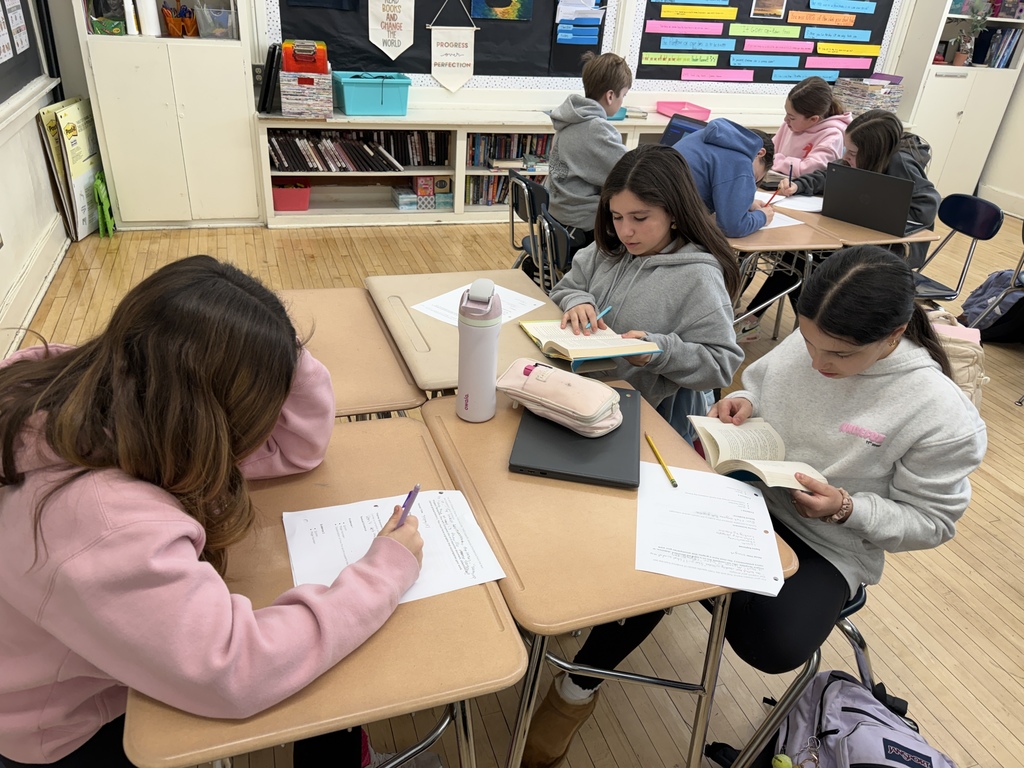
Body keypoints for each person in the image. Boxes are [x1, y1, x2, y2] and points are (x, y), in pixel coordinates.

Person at [0, 256, 433, 768]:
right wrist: (382, 573)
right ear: (208, 415)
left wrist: (269, 342)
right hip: (63, 729)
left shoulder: (85, 384)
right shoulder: (105, 526)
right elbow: (239, 670)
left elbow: (301, 448)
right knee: (320, 673)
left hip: (74, 657)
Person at [706, 246, 985, 764]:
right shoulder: (817, 337)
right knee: (653, 551)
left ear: (894, 336)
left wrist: (846, 509)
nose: (817, 361)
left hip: (828, 542)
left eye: (838, 355)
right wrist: (747, 404)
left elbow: (934, 522)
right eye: (809, 342)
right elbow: (765, 386)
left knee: (773, 645)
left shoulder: (941, 414)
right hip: (751, 495)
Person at [522, 144, 743, 768]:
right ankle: (567, 600)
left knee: (626, 541)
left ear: (674, 212)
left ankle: (577, 681)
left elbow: (723, 361)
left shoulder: (696, 273)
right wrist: (576, 302)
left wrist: (662, 349)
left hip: (652, 428)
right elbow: (567, 281)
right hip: (583, 403)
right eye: (616, 217)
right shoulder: (608, 251)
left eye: (640, 217)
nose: (625, 230)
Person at [737, 110, 941, 342]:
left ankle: (804, 331)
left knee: (810, 262)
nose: (847, 157)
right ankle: (771, 324)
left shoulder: (901, 163)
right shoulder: (857, 159)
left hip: (891, 248)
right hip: (854, 235)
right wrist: (799, 185)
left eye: (852, 153)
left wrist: (882, 214)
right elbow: (829, 175)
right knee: (795, 255)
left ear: (872, 152)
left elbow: (926, 206)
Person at [546, 51, 632, 252]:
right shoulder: (597, 129)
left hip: (558, 211)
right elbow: (629, 173)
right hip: (580, 221)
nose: (623, 102)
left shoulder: (571, 117)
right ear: (610, 96)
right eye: (624, 95)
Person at [672, 118, 776, 238]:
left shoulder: (706, 136)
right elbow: (733, 227)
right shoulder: (741, 160)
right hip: (672, 223)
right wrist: (762, 217)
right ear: (760, 153)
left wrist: (744, 201)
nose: (748, 180)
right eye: (754, 177)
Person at [771, 76, 852, 177]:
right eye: (787, 113)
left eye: (792, 117)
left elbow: (809, 170)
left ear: (813, 119)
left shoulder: (832, 136)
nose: (785, 119)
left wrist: (776, 160)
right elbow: (769, 152)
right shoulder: (790, 125)